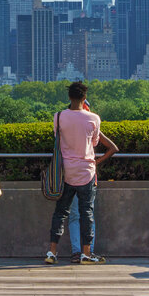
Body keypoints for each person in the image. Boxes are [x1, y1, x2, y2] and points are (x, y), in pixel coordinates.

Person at [45, 82, 119, 265]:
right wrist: (97, 161)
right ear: (84, 98)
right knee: (87, 213)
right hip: (86, 172)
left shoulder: (59, 116)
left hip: (65, 173)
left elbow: (58, 139)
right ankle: (86, 253)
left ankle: (52, 252)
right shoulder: (94, 118)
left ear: (69, 97)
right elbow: (94, 143)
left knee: (60, 213)